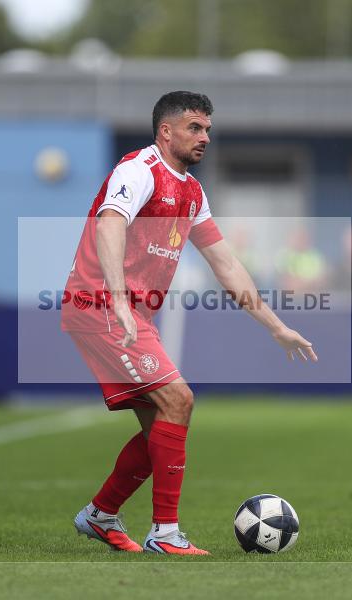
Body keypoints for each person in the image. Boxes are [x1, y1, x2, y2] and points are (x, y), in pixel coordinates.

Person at [61, 91, 317, 555]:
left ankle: (100, 515)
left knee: (159, 426)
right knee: (179, 399)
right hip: (100, 305)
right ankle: (164, 533)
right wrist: (118, 299)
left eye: (208, 130)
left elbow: (227, 265)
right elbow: (109, 224)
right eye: (196, 128)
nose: (205, 138)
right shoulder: (138, 171)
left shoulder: (193, 192)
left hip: (128, 312)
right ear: (166, 130)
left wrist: (275, 326)